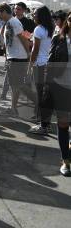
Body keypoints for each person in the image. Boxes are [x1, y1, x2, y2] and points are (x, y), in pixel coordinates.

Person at [46, 12, 71, 176]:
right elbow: (50, 63)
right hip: (62, 88)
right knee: (63, 125)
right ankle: (66, 162)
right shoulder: (59, 39)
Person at [0, 3, 31, 116]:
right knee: (15, 85)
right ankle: (13, 108)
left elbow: (24, 39)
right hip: (14, 58)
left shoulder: (14, 22)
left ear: (4, 12)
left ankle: (14, 108)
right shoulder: (9, 23)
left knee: (16, 85)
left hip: (18, 58)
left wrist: (28, 54)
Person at [28, 6, 54, 135]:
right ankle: (43, 120)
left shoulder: (38, 29)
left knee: (40, 94)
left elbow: (35, 49)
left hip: (39, 64)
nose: (33, 15)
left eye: (35, 13)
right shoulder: (52, 28)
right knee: (45, 94)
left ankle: (43, 123)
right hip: (49, 63)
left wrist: (30, 63)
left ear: (40, 16)